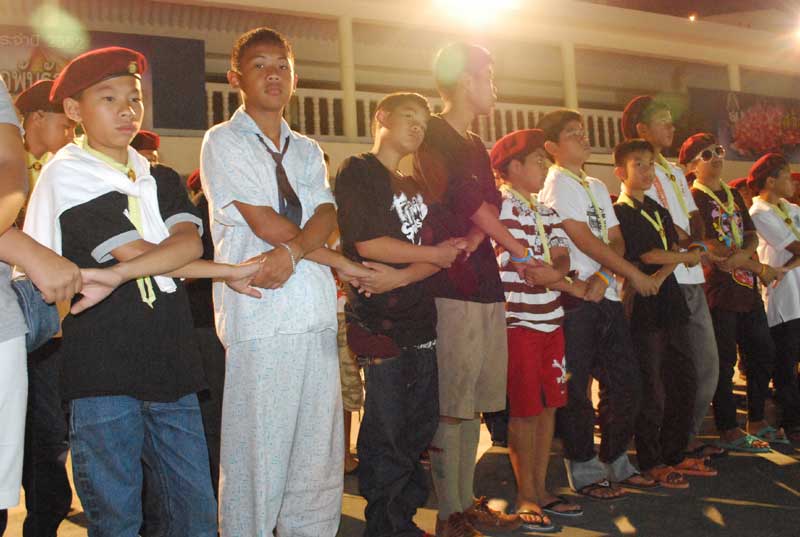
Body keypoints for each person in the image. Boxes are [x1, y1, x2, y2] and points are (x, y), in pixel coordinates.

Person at [23, 46, 265, 537]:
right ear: (73, 110)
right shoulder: (68, 177)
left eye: (134, 98)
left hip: (173, 365)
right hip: (103, 373)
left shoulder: (160, 177)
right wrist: (222, 270)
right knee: (117, 519)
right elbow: (141, 252)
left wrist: (130, 274)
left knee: (195, 514)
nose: (127, 109)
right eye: (108, 98)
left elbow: (186, 244)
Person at [200, 28, 373, 536]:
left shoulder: (307, 149)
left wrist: (296, 253)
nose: (273, 74)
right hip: (262, 316)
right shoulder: (223, 140)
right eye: (260, 65)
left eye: (282, 65)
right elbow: (263, 222)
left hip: (314, 313)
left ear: (294, 77)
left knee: (317, 467)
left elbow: (325, 214)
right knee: (258, 462)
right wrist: (339, 262)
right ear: (236, 78)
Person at [414, 42, 546, 536]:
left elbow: (486, 204)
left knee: (472, 401)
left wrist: (478, 239)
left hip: (483, 280)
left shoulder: (472, 141)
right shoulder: (434, 133)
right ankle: (449, 514)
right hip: (452, 284)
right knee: (452, 402)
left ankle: (465, 502)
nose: (494, 87)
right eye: (488, 76)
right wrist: (520, 252)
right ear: (466, 80)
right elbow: (467, 199)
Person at [337, 91, 465, 537]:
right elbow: (369, 243)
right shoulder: (359, 170)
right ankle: (386, 527)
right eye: (409, 117)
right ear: (382, 118)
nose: (417, 127)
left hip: (419, 321)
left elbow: (442, 256)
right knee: (386, 435)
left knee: (417, 430)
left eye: (423, 123)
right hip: (381, 326)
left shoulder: (415, 185)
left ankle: (404, 521)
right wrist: (430, 258)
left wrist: (404, 275)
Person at [537, 109, 659, 500]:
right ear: (552, 146)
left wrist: (606, 277)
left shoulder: (593, 183)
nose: (584, 137)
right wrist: (632, 275)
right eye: (573, 134)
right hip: (574, 298)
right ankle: (584, 466)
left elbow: (615, 239)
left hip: (602, 294)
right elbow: (581, 238)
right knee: (576, 387)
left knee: (626, 381)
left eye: (583, 131)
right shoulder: (556, 184)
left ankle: (615, 457)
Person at [489, 128, 585, 531]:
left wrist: (557, 274)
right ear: (513, 167)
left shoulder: (546, 210)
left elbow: (561, 256)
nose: (545, 167)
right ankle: (525, 493)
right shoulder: (503, 207)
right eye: (538, 161)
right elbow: (521, 264)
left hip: (552, 319)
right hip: (520, 321)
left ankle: (541, 488)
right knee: (525, 411)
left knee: (549, 407)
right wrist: (559, 278)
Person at [0, 78, 82, 537]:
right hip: (21, 312)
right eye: (64, 124)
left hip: (42, 325)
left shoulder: (63, 171)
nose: (71, 134)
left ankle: (43, 523)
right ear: (35, 119)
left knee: (47, 437)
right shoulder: (41, 174)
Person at [621, 95, 724, 460]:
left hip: (690, 273)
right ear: (642, 129)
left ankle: (682, 439)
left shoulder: (674, 171)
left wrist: (696, 244)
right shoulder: (639, 177)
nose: (671, 126)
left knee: (700, 367)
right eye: (663, 120)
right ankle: (669, 447)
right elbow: (664, 230)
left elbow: (692, 219)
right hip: (667, 279)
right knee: (668, 372)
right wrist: (687, 248)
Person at [682, 133, 780, 451]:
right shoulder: (693, 197)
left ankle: (756, 419)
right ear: (692, 166)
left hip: (746, 286)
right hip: (719, 289)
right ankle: (727, 426)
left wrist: (745, 255)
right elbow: (705, 242)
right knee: (723, 360)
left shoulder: (732, 193)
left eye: (719, 151)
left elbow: (750, 233)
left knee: (762, 351)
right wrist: (740, 260)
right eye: (707, 155)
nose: (717, 158)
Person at [747, 153, 800, 443]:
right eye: (787, 176)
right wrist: (789, 266)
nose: (793, 182)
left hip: (797, 292)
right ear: (770, 181)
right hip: (784, 301)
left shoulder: (790, 208)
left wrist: (787, 267)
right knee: (785, 365)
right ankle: (790, 423)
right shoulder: (760, 213)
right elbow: (796, 247)